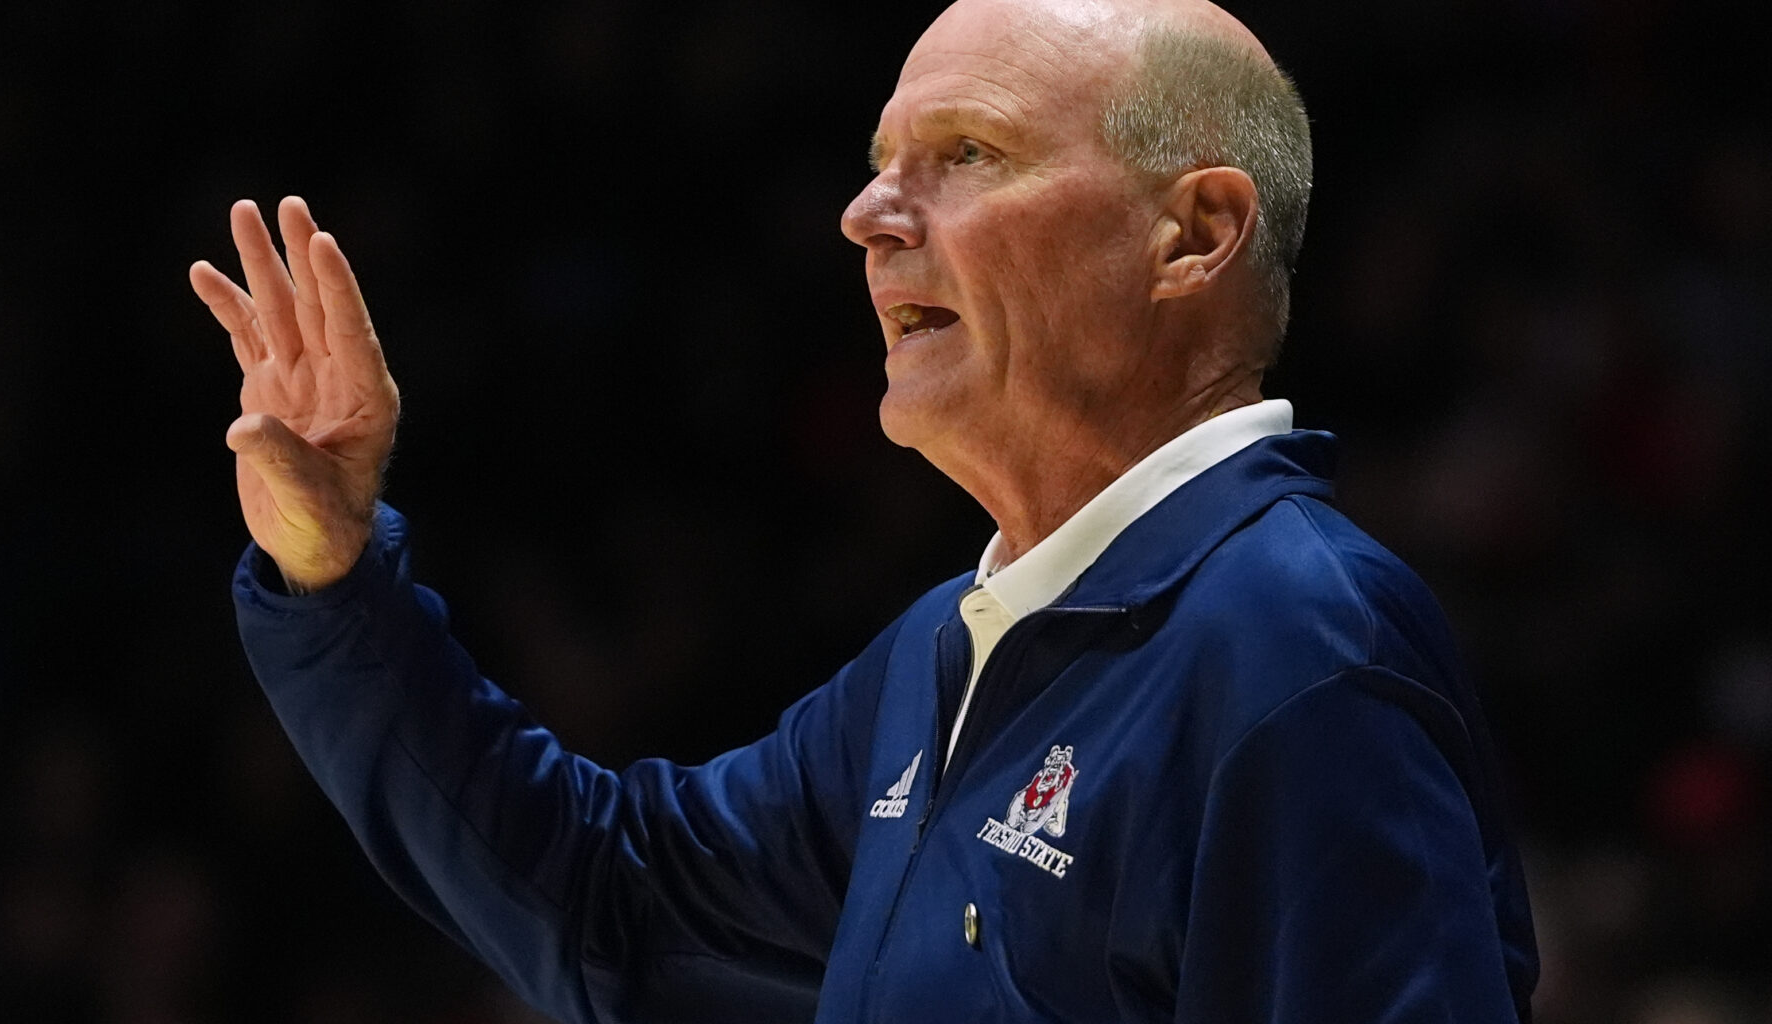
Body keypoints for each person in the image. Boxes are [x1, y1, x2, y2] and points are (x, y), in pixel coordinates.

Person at [190, 0, 1539, 1019]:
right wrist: (335, 572)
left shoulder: (1292, 647)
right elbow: (610, 905)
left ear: (1191, 235)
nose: (867, 214)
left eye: (966, 152)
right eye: (882, 160)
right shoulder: (951, 658)